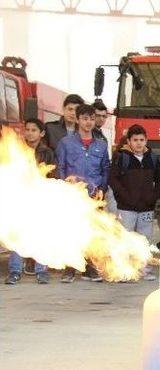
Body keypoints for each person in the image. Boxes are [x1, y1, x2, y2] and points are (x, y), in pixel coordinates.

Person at [56, 104, 110, 283]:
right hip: (73, 196)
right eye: (85, 118)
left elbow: (105, 169)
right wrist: (65, 187)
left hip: (94, 197)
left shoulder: (101, 145)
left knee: (93, 233)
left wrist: (102, 187)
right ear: (78, 120)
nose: (89, 122)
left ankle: (90, 268)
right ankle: (70, 269)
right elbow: (61, 167)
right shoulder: (65, 143)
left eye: (92, 119)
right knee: (72, 231)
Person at [109, 124, 160, 281]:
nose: (139, 143)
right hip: (126, 208)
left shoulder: (152, 158)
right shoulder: (122, 157)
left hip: (146, 208)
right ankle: (123, 270)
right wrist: (124, 197)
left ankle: (143, 269)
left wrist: (154, 197)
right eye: (135, 140)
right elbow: (113, 179)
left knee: (144, 239)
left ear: (146, 140)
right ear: (129, 141)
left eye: (142, 139)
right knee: (125, 238)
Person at [4, 118, 55, 285]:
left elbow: (53, 175)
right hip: (20, 198)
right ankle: (15, 271)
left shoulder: (47, 153)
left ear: (41, 133)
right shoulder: (15, 149)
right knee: (18, 235)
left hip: (41, 198)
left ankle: (42, 270)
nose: (30, 133)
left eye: (34, 130)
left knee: (41, 234)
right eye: (27, 129)